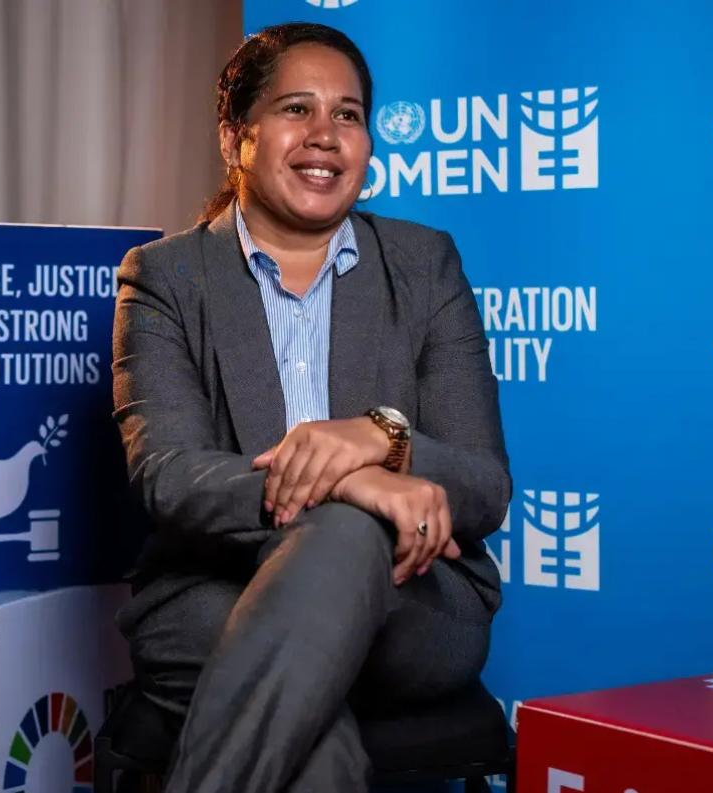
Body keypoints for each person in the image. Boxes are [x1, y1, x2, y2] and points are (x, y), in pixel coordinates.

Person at [109, 21, 510, 793]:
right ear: (236, 138)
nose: (325, 136)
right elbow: (168, 473)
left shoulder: (426, 266)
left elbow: (484, 484)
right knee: (310, 735)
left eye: (348, 114)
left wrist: (379, 438)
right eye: (297, 109)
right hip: (214, 592)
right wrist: (350, 482)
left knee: (349, 539)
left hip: (413, 606)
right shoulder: (165, 276)